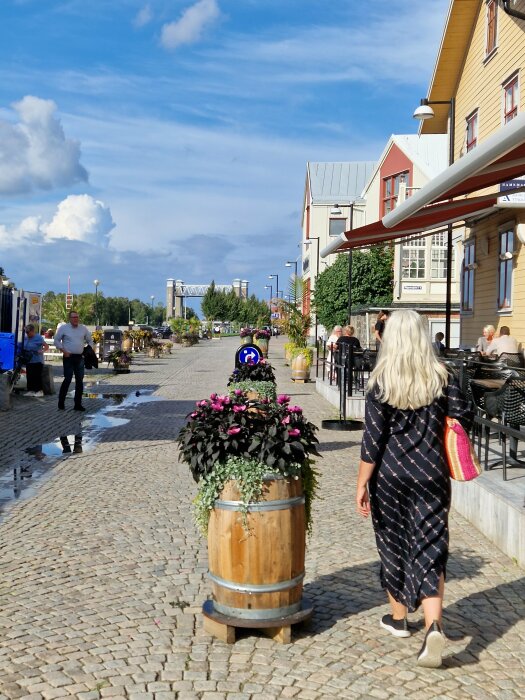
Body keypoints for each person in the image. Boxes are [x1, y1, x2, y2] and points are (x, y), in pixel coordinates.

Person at [356, 309, 473, 668]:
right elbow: (463, 417)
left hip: (390, 476)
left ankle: (399, 619)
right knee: (431, 543)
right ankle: (434, 623)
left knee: (393, 542)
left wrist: (361, 482)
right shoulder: (444, 377)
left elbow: (373, 440)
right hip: (432, 473)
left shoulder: (381, 382)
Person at [54, 311, 93, 411]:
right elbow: (56, 340)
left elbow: (90, 340)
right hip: (68, 357)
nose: (76, 319)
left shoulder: (83, 328)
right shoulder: (64, 328)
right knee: (67, 379)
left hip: (79, 357)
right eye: (74, 317)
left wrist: (87, 351)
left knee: (79, 381)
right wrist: (63, 351)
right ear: (70, 318)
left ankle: (78, 404)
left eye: (77, 317)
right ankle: (61, 403)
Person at [24, 324, 49, 396]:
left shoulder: (38, 337)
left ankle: (39, 391)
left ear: (32, 331)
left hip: (37, 360)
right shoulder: (26, 337)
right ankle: (31, 390)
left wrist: (42, 351)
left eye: (28, 332)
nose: (27, 334)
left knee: (37, 376)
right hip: (29, 360)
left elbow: (46, 346)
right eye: (26, 332)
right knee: (29, 375)